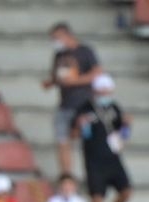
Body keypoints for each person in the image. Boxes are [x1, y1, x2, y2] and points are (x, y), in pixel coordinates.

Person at [72, 72, 131, 202]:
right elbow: (74, 133)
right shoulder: (85, 108)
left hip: (113, 158)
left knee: (126, 192)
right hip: (94, 161)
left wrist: (126, 126)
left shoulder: (114, 108)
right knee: (97, 198)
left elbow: (122, 133)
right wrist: (80, 125)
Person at [43, 21, 96, 177]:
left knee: (87, 139)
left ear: (67, 35)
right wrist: (51, 82)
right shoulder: (59, 55)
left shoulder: (85, 51)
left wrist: (75, 81)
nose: (55, 42)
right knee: (62, 139)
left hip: (83, 104)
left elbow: (97, 73)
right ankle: (67, 175)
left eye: (57, 38)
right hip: (65, 104)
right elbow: (57, 77)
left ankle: (91, 173)